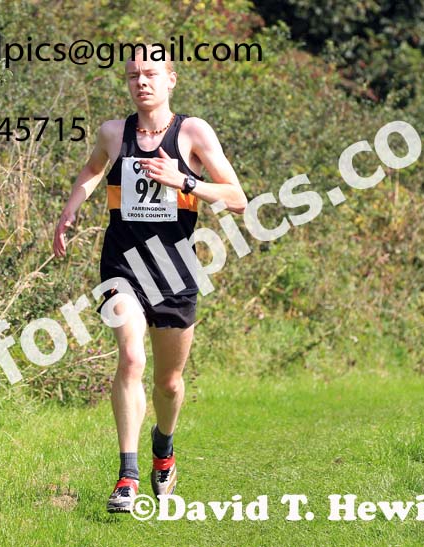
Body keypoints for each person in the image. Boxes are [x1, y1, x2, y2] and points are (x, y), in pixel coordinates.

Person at [53, 44, 246, 513]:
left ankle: (164, 446)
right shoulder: (112, 132)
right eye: (133, 75)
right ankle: (127, 475)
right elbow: (93, 168)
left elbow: (238, 198)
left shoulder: (193, 132)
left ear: (170, 80)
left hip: (175, 271)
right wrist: (70, 208)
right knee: (130, 358)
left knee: (169, 383)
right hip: (122, 267)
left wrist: (184, 181)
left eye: (150, 74)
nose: (141, 82)